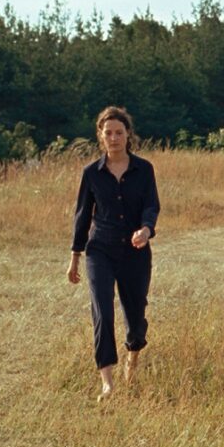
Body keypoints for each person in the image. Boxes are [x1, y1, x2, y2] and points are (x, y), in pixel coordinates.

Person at [67, 106, 160, 402]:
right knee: (102, 312)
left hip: (135, 251)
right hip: (100, 250)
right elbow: (82, 216)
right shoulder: (91, 174)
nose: (114, 137)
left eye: (119, 132)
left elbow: (151, 205)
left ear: (128, 134)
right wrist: (75, 257)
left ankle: (133, 356)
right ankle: (107, 382)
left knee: (135, 317)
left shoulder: (144, 169)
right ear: (101, 135)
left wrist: (146, 230)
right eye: (108, 133)